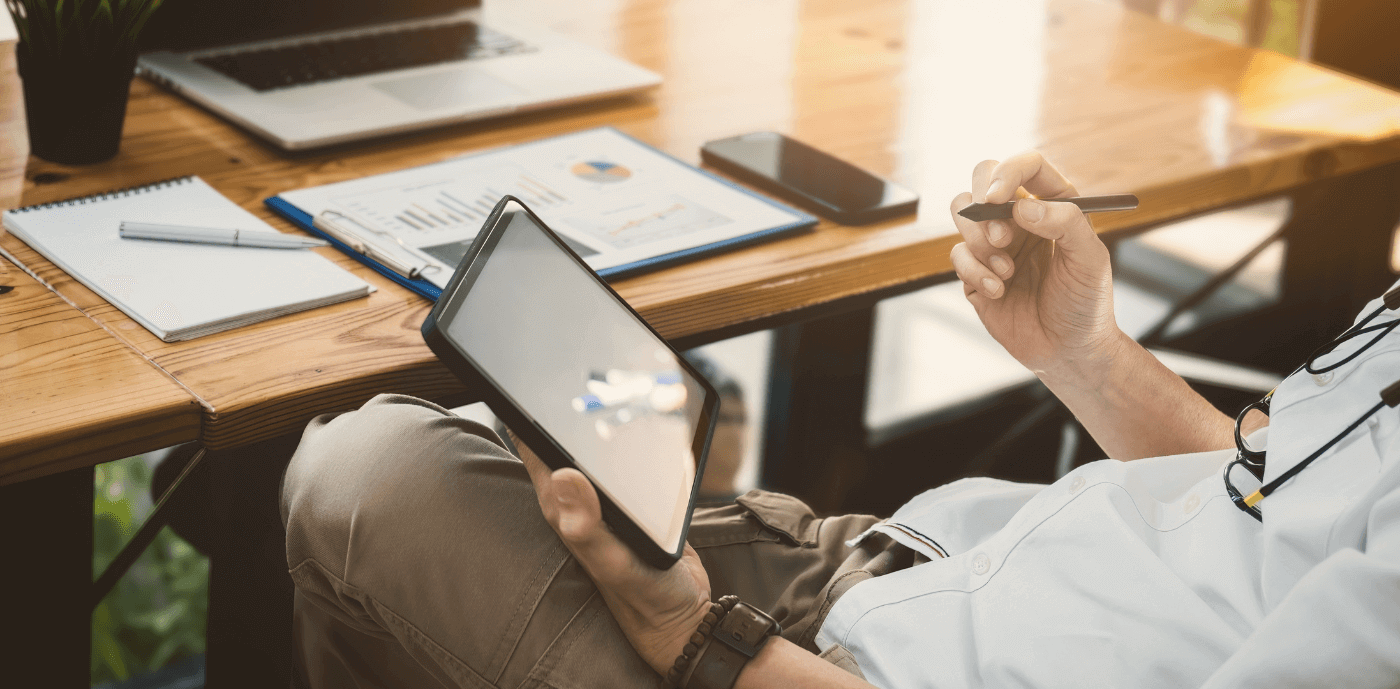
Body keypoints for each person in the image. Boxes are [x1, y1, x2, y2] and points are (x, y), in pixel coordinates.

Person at [280, 152, 1400, 688]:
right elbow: (1266, 504)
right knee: (508, 424)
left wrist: (688, 636)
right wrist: (1084, 352)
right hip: (898, 570)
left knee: (364, 478)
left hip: (819, 669)